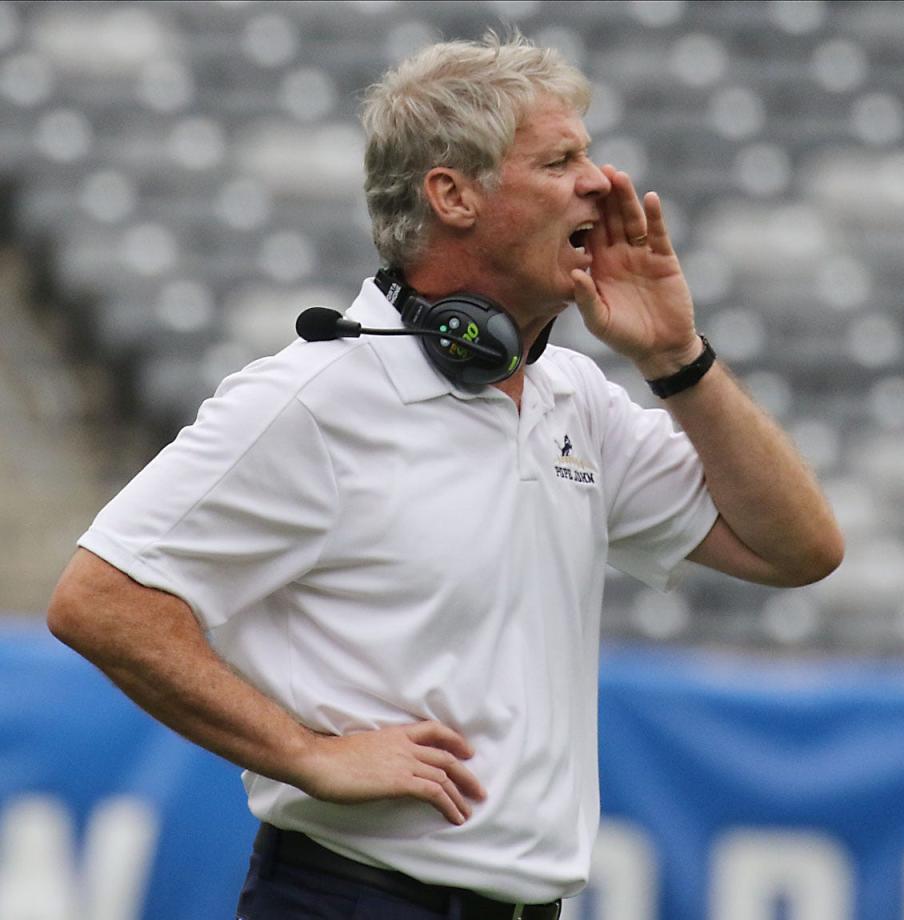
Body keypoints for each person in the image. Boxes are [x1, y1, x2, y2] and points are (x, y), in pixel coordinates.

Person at [47, 32, 844, 920]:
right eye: (562, 159)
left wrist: (676, 356)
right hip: (352, 900)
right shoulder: (315, 397)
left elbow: (799, 549)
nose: (601, 181)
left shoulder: (573, 396)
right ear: (453, 194)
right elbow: (100, 599)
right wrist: (307, 752)